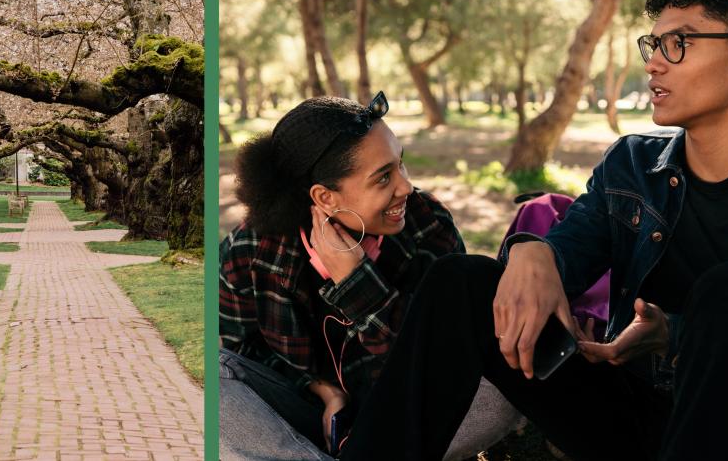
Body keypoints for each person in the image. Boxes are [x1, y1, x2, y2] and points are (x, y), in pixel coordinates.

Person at [340, 0, 728, 461]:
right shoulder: (634, 165)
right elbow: (571, 246)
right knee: (461, 281)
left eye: (679, 43)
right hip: (634, 417)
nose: (654, 64)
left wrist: (676, 334)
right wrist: (533, 252)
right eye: (653, 46)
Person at [219, 94, 523, 460]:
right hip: (308, 416)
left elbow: (443, 363)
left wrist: (357, 285)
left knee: (501, 391)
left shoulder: (427, 224)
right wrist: (322, 390)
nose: (406, 187)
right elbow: (246, 351)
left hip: (411, 417)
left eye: (401, 166)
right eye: (384, 178)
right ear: (325, 197)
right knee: (217, 372)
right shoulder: (249, 249)